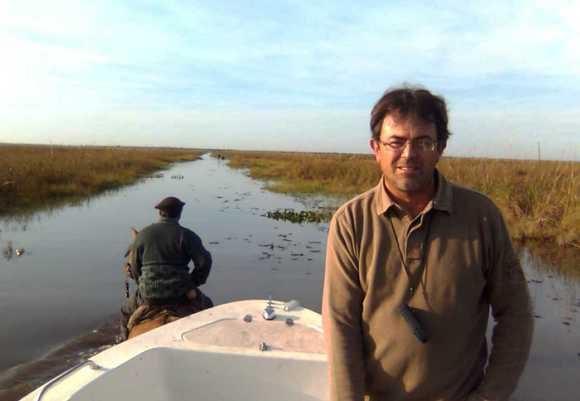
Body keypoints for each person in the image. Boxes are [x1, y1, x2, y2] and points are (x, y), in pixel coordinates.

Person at [322, 86, 533, 401]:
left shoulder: (481, 216)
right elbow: (341, 325)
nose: (409, 154)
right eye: (396, 142)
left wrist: (490, 395)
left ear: (441, 147)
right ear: (375, 148)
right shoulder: (351, 221)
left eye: (423, 141)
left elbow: (516, 313)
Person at [121, 196, 213, 339]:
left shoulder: (143, 234)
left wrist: (142, 283)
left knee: (125, 310)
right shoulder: (187, 235)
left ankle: (122, 340)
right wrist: (193, 283)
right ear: (180, 212)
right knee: (208, 305)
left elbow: (134, 266)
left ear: (160, 213)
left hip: (149, 294)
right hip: (181, 292)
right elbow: (204, 262)